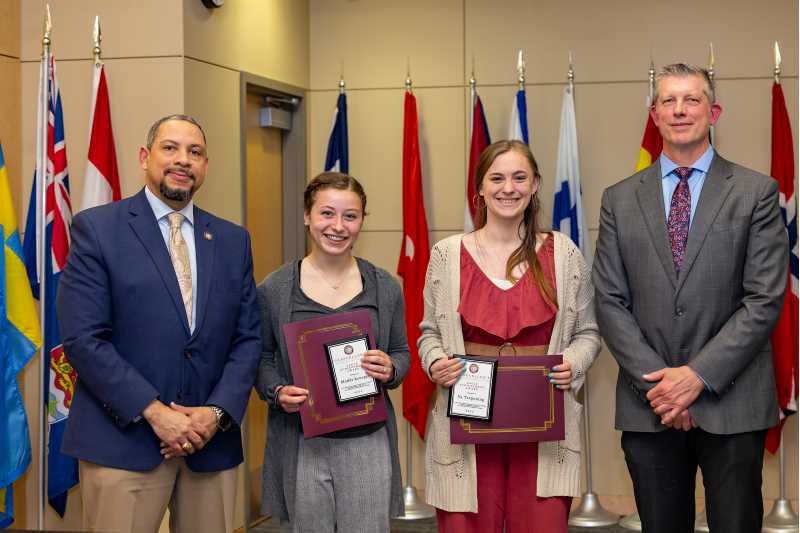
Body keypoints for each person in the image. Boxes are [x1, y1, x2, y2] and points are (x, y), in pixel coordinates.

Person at [593, 63, 788, 533]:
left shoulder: (756, 192)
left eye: (692, 100)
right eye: (668, 101)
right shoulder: (618, 199)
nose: (680, 110)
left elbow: (763, 299)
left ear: (713, 111)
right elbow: (609, 301)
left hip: (733, 403)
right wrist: (663, 389)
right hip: (649, 405)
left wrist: (696, 377)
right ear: (654, 115)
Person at [56, 114, 262, 533]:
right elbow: (83, 339)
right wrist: (154, 412)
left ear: (206, 165)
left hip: (209, 444)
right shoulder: (97, 229)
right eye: (170, 148)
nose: (182, 160)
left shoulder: (231, 240)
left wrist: (216, 412)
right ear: (144, 157)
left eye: (195, 152)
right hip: (122, 442)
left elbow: (247, 339)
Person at [418, 140, 601, 533]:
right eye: (496, 178)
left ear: (535, 184)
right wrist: (435, 362)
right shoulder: (447, 254)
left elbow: (588, 332)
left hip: (543, 432)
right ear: (480, 188)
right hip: (465, 427)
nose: (508, 188)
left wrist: (575, 362)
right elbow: (429, 332)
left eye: (520, 177)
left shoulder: (564, 253)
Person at [255, 172, 409, 532]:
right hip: (301, 442)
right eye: (327, 213)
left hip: (367, 442)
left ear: (361, 222)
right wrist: (277, 392)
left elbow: (401, 352)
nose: (338, 226)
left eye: (350, 216)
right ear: (308, 216)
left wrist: (390, 367)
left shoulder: (384, 286)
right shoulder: (275, 288)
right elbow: (260, 360)